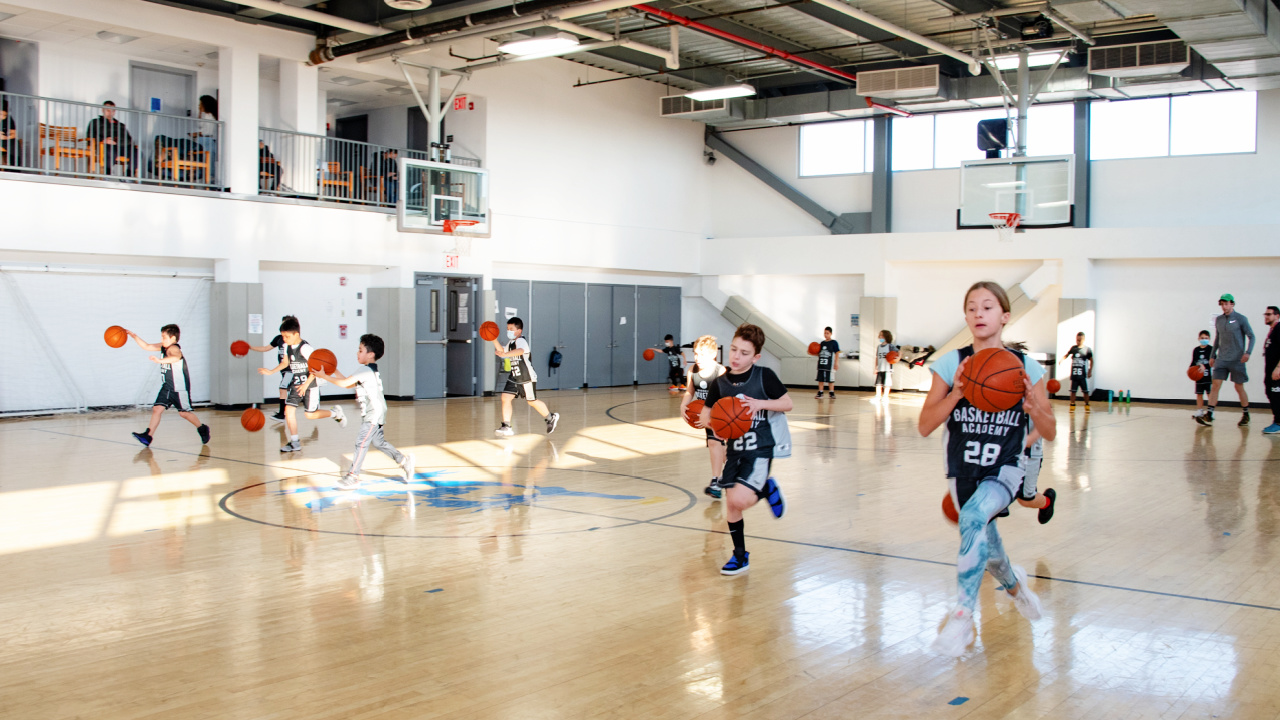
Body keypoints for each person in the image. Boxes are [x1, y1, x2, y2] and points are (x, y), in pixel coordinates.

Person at [917, 281, 1054, 657]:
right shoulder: (950, 363)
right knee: (988, 547)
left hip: (1005, 466)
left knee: (975, 517)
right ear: (966, 316)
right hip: (963, 468)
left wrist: (1034, 408)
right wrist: (958, 392)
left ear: (1005, 316)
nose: (979, 313)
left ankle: (962, 616)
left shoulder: (1026, 367)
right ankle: (1015, 587)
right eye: (972, 307)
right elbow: (925, 425)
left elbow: (1050, 430)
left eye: (988, 307)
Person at [699, 323, 792, 576]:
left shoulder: (764, 376)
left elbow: (787, 403)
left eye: (744, 353)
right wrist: (710, 422)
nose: (736, 357)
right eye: (733, 350)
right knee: (732, 505)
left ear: (756, 356)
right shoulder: (721, 384)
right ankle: (740, 556)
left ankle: (765, 487)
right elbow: (708, 415)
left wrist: (760, 403)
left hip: (760, 448)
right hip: (736, 450)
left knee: (739, 498)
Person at [310, 334, 415, 489]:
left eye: (360, 350)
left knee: (361, 442)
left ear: (370, 354)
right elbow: (347, 384)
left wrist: (324, 376)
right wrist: (333, 370)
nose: (357, 353)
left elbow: (345, 382)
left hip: (374, 412)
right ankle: (404, 461)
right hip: (377, 411)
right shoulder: (367, 370)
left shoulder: (365, 370)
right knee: (379, 443)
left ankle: (353, 476)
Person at [258, 316, 345, 452]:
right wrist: (271, 371)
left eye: (286, 336)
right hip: (296, 384)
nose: (284, 340)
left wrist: (305, 385)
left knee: (310, 415)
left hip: (310, 385)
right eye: (283, 337)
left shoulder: (305, 348)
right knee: (289, 410)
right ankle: (294, 442)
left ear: (296, 334)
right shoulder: (287, 346)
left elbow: (316, 368)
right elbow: (285, 363)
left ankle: (335, 413)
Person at [125, 324, 211, 447]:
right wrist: (134, 336)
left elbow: (175, 358)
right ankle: (148, 436)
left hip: (179, 388)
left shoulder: (174, 349)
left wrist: (159, 361)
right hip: (167, 387)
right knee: (157, 409)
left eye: (164, 337)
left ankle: (202, 428)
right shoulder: (163, 347)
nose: (161, 340)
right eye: (161, 337)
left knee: (184, 413)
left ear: (173, 338)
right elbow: (147, 346)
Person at [492, 317, 559, 437]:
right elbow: (502, 352)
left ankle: (550, 417)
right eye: (507, 329)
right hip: (515, 376)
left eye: (511, 329)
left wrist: (506, 354)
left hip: (526, 376)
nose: (509, 331)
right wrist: (493, 339)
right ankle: (506, 426)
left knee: (532, 401)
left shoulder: (521, 341)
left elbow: (520, 351)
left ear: (519, 331)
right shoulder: (511, 343)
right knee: (505, 397)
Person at [1197, 293, 1256, 427]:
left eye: (1226, 304)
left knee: (1238, 387)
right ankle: (1209, 415)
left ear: (1232, 304)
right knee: (1215, 385)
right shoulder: (1219, 320)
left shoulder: (1241, 319)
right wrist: (1212, 355)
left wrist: (1248, 353)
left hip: (1237, 360)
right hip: (1222, 359)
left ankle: (1246, 414)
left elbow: (1252, 336)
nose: (1224, 306)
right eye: (1222, 304)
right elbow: (1218, 339)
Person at [680, 335, 727, 499]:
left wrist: (714, 415)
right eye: (696, 354)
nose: (697, 358)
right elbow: (689, 391)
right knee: (718, 447)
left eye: (702, 354)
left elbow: (726, 400)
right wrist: (683, 405)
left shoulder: (720, 372)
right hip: (706, 415)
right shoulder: (692, 371)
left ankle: (718, 481)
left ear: (713, 355)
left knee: (717, 445)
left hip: (722, 415)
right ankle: (719, 480)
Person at [247, 316, 296, 421]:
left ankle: (282, 414)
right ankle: (311, 397)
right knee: (290, 390)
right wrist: (251, 347)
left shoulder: (293, 340)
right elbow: (266, 348)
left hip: (291, 369)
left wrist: (271, 371)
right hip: (284, 370)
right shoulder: (278, 338)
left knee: (282, 389)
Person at [84, 101, 137, 176]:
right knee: (110, 150)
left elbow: (129, 139)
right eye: (108, 110)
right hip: (105, 146)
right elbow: (90, 136)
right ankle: (107, 174)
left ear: (114, 111)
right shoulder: (95, 122)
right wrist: (103, 140)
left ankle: (129, 175)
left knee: (137, 153)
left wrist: (119, 142)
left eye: (112, 110)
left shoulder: (121, 125)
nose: (110, 112)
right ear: (103, 110)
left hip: (122, 147)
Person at [1061, 332, 1093, 412]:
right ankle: (1072, 405)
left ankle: (1087, 405)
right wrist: (1062, 359)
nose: (1078, 342)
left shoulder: (1087, 350)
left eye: (1079, 340)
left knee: (1085, 391)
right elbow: (1067, 355)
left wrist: (1090, 370)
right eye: (1077, 340)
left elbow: (1092, 360)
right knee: (1073, 391)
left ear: (1083, 340)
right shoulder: (1073, 348)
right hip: (1074, 375)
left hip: (1082, 375)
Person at [1262, 306, 1280, 435]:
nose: (1266, 316)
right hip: (1269, 371)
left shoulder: (1279, 329)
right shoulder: (1272, 331)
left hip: (1276, 372)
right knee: (1270, 393)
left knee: (1276, 396)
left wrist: (1278, 368)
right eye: (1265, 314)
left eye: (1269, 314)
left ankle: (1278, 423)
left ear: (1277, 316)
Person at [1190, 330, 1213, 417]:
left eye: (1206, 338)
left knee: (1209, 394)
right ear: (1199, 338)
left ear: (1209, 339)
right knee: (1199, 394)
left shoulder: (1211, 349)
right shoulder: (1196, 350)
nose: (1204, 339)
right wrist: (1190, 370)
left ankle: (1211, 411)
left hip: (1208, 376)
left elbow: (1213, 362)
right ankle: (1200, 411)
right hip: (1199, 377)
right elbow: (1193, 362)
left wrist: (1205, 366)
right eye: (1202, 338)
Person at [815, 326, 839, 399]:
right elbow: (819, 353)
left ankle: (831, 392)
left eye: (827, 333)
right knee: (820, 379)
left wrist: (836, 363)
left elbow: (837, 353)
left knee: (830, 379)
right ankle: (820, 392)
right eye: (825, 333)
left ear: (831, 334)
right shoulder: (822, 343)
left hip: (830, 364)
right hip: (822, 364)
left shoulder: (834, 343)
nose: (826, 335)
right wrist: (811, 352)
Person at [874, 330, 898, 402]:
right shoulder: (879, 347)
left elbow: (899, 352)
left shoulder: (890, 346)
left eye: (881, 335)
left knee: (887, 383)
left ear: (885, 336)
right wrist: (876, 367)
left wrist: (897, 359)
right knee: (878, 383)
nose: (880, 337)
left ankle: (885, 396)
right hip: (880, 367)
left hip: (888, 368)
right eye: (880, 335)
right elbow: (877, 357)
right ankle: (878, 396)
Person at [0, 101, 17, 167]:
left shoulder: (9, 119)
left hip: (5, 140)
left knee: (15, 143)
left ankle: (13, 168)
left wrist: (5, 137)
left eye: (4, 115)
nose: (2, 117)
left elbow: (14, 134)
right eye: (0, 114)